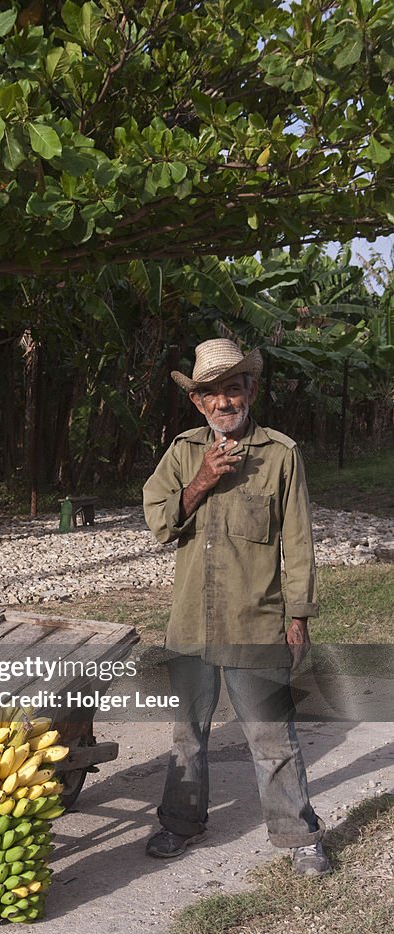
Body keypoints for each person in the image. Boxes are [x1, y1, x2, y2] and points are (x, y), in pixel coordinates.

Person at [142, 337, 330, 877]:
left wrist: (298, 617)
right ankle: (180, 824)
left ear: (250, 389)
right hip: (190, 623)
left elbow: (299, 543)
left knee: (272, 734)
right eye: (211, 395)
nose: (224, 402)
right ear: (198, 403)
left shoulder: (280, 455)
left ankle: (298, 835)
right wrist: (203, 479)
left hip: (256, 621)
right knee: (186, 733)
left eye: (234, 389)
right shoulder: (182, 452)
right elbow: (158, 520)